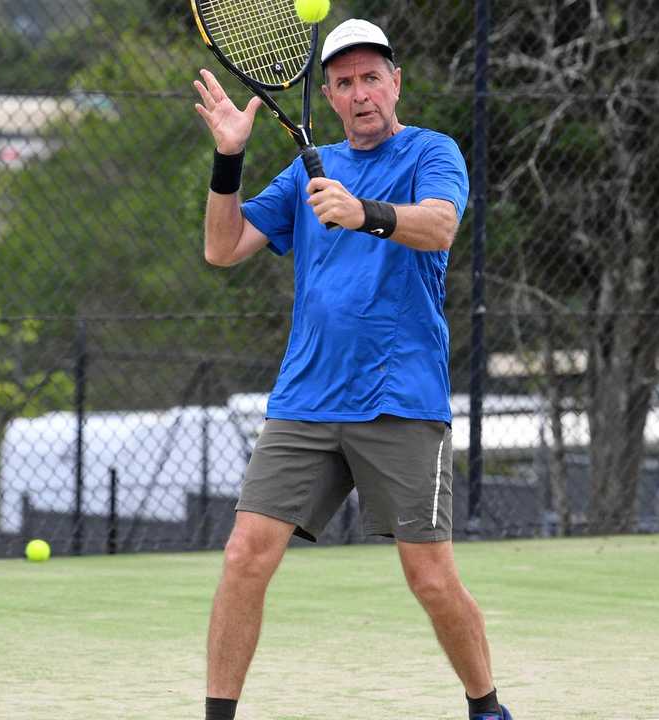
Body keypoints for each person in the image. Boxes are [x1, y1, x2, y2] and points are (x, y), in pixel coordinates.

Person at [191, 18, 512, 720]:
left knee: (429, 577)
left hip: (401, 399)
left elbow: (439, 225)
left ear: (396, 83)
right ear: (329, 97)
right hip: (306, 399)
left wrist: (363, 211)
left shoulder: (433, 151)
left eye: (372, 77)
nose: (360, 92)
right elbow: (224, 247)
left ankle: (486, 707)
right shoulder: (308, 169)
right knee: (245, 553)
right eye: (344, 82)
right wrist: (228, 160)